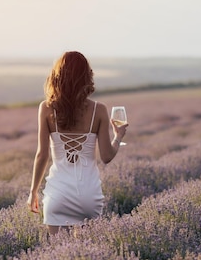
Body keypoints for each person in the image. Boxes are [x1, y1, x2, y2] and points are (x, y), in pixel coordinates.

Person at [27, 51, 128, 235]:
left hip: (58, 194)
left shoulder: (46, 108)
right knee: (87, 254)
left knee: (58, 256)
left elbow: (42, 154)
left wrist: (33, 191)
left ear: (57, 77)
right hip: (89, 196)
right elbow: (106, 157)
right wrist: (118, 136)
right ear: (86, 77)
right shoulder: (99, 110)